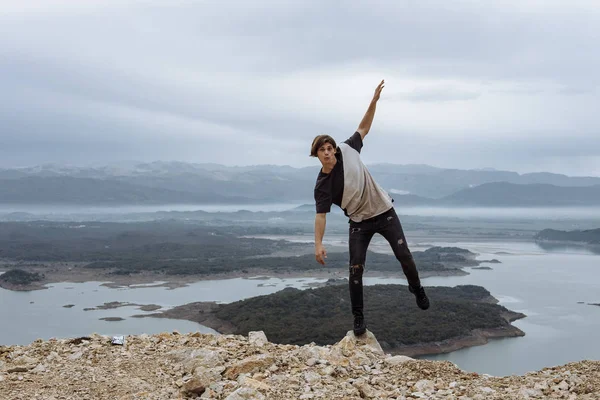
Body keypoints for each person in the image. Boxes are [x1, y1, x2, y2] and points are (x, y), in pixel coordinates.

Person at [311, 80, 429, 336]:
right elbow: (321, 216)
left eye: (330, 147)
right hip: (359, 223)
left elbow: (364, 127)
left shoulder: (348, 149)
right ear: (316, 155)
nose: (328, 152)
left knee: (404, 255)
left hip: (384, 212)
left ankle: (416, 288)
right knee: (355, 269)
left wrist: (374, 101)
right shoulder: (322, 185)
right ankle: (358, 318)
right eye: (323, 150)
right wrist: (318, 244)